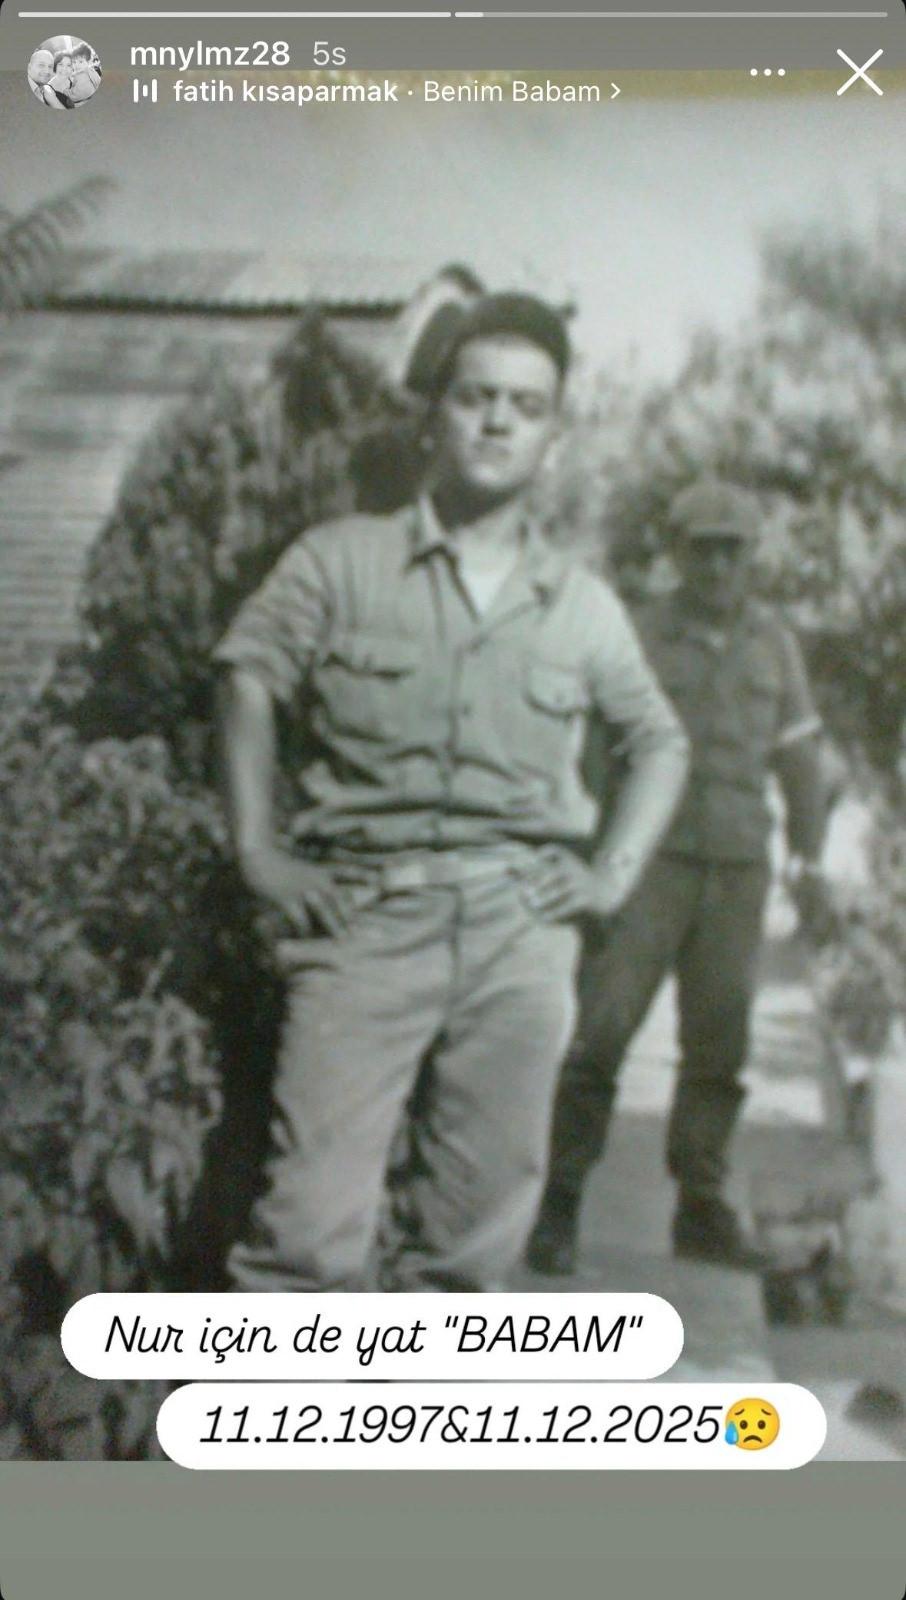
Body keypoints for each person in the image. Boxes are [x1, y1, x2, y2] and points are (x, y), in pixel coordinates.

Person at [213, 292, 689, 1294]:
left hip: (520, 936)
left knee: (472, 1253)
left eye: (526, 405)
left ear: (554, 439)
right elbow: (247, 674)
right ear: (434, 415)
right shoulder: (341, 561)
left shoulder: (582, 607)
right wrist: (259, 850)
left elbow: (658, 743)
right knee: (306, 1233)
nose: (498, 421)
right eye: (476, 397)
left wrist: (608, 876)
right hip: (365, 918)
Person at [526, 478, 830, 1276]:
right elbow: (596, 748)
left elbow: (800, 757)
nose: (718, 566)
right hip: (649, 865)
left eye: (733, 550)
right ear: (677, 553)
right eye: (703, 550)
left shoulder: (775, 643)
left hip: (737, 869)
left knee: (718, 1045)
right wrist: (597, 847)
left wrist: (810, 858)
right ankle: (557, 1203)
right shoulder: (640, 633)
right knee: (602, 1033)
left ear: (753, 556)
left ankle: (700, 1206)